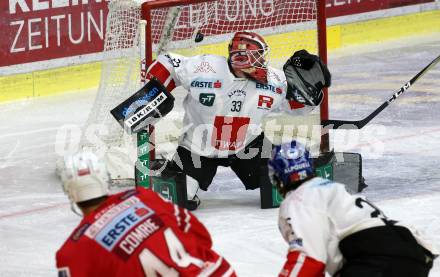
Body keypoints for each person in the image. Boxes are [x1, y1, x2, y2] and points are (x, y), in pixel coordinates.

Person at [144, 31, 331, 209]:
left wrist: (312, 92)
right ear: (242, 58)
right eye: (258, 56)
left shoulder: (274, 81)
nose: (263, 62)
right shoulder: (205, 68)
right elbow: (168, 62)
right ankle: (165, 171)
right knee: (181, 198)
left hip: (248, 146)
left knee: (292, 182)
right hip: (198, 150)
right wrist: (149, 95)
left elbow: (297, 108)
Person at [268, 140, 438, 277]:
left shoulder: (298, 199)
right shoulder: (330, 188)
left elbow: (308, 260)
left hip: (374, 261)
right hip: (411, 252)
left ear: (278, 177)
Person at [56, 152, 236, 276]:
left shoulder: (72, 252)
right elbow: (201, 236)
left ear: (68, 191)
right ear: (104, 178)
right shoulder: (143, 197)